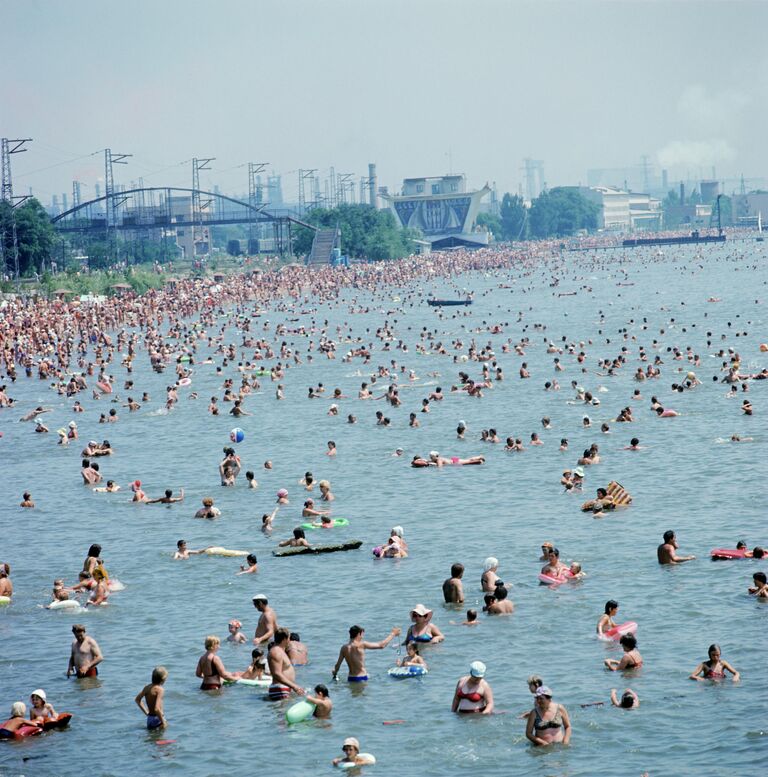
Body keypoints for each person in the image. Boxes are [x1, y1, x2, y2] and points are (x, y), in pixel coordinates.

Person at [333, 624, 401, 682]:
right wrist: (393, 634)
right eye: (362, 634)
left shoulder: (344, 648)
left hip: (351, 678)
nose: (362, 637)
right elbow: (381, 645)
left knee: (354, 696)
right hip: (362, 677)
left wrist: (335, 673)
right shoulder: (362, 644)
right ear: (359, 634)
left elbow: (337, 666)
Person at [267, 628, 304, 699]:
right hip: (279, 690)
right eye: (289, 638)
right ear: (284, 639)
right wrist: (294, 686)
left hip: (283, 689)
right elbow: (276, 674)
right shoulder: (276, 652)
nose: (289, 641)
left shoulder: (280, 651)